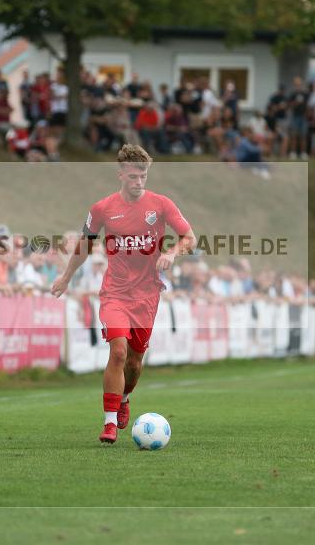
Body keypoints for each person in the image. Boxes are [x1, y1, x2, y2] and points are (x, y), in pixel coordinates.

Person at [50, 144, 196, 444]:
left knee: (134, 361)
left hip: (147, 296)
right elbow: (84, 245)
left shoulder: (161, 205)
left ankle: (125, 398)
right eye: (133, 176)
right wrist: (66, 276)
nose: (139, 181)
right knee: (118, 351)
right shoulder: (102, 209)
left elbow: (189, 238)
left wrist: (172, 252)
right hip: (114, 293)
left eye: (143, 175)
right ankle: (109, 422)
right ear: (121, 175)